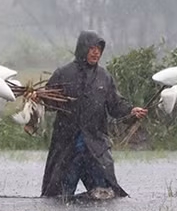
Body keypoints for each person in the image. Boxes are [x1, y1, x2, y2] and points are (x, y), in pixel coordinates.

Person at [41, 30, 147, 199]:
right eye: (92, 48)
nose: (96, 52)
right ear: (83, 49)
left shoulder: (104, 77)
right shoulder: (63, 74)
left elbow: (115, 105)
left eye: (99, 49)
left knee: (104, 194)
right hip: (68, 144)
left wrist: (131, 111)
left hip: (95, 145)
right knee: (60, 196)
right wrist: (38, 98)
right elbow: (49, 103)